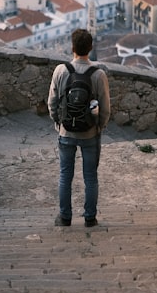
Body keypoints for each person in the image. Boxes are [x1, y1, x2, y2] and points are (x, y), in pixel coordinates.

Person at [47, 28, 110, 228]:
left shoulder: (60, 70)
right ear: (90, 48)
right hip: (90, 133)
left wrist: (58, 122)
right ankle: (90, 218)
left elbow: (52, 102)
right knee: (90, 177)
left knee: (65, 175)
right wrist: (99, 126)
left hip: (66, 132)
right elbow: (105, 108)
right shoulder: (99, 74)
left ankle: (65, 217)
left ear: (72, 47)